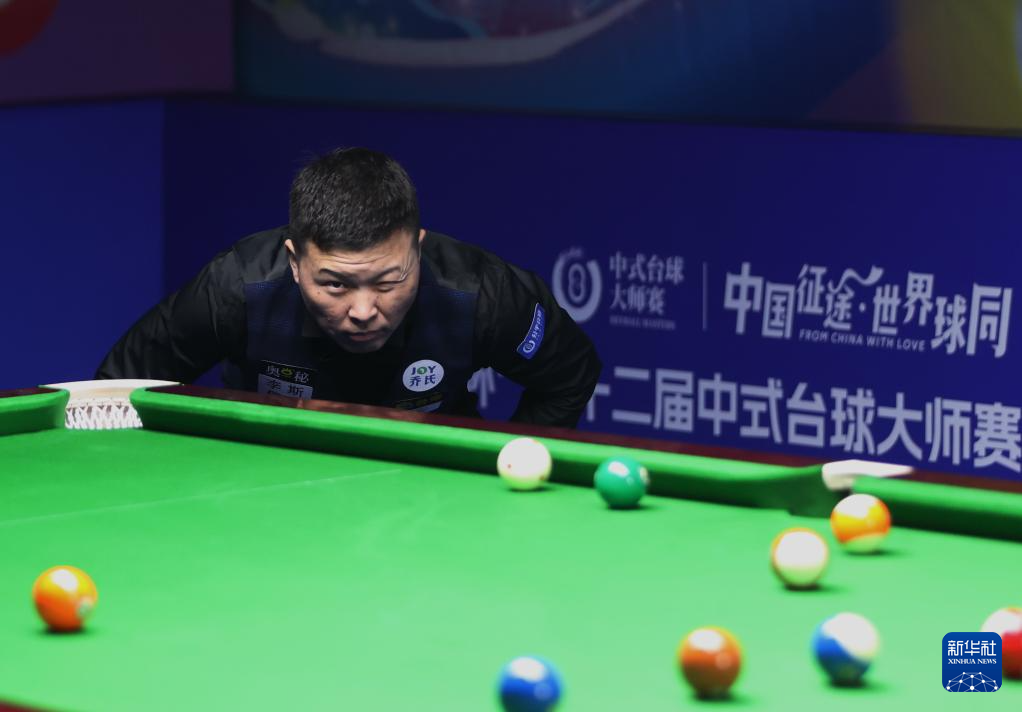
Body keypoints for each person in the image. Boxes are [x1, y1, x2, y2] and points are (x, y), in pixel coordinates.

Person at [97, 148, 602, 427]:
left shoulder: (482, 294)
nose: (363, 310)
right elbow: (117, 388)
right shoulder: (238, 287)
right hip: (263, 479)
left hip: (430, 485)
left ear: (417, 249)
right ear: (295, 262)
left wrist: (510, 455)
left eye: (389, 280)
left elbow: (569, 375)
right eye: (335, 283)